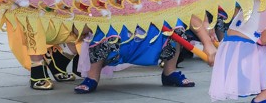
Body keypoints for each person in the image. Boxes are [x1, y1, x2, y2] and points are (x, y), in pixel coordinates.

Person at [75, 15, 216, 94]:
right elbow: (79, 29)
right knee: (103, 24)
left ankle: (169, 72)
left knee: (176, 22)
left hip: (152, 26)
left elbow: (189, 12)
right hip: (119, 23)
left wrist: (208, 44)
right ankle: (92, 77)